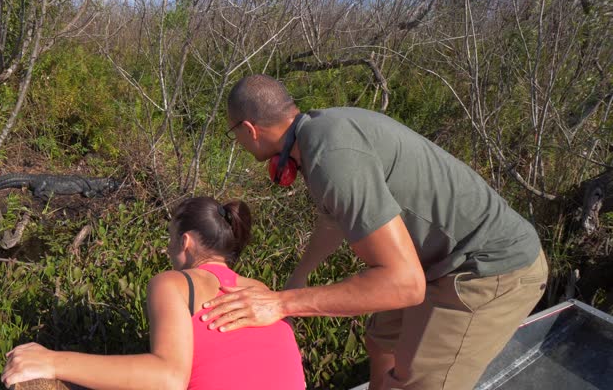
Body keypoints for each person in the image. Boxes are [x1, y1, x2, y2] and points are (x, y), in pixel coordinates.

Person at [202, 74, 547, 390]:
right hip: (439, 260)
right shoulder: (318, 133)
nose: (241, 144)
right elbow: (333, 220)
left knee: (418, 382)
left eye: (235, 136)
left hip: (488, 269)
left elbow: (404, 284)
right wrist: (297, 280)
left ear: (249, 129)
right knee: (383, 339)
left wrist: (280, 304)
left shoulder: (329, 155)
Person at [1, 197, 305, 390]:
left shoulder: (173, 283)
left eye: (171, 238)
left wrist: (52, 361)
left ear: (185, 241)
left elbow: (168, 379)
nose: (168, 248)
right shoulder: (264, 294)